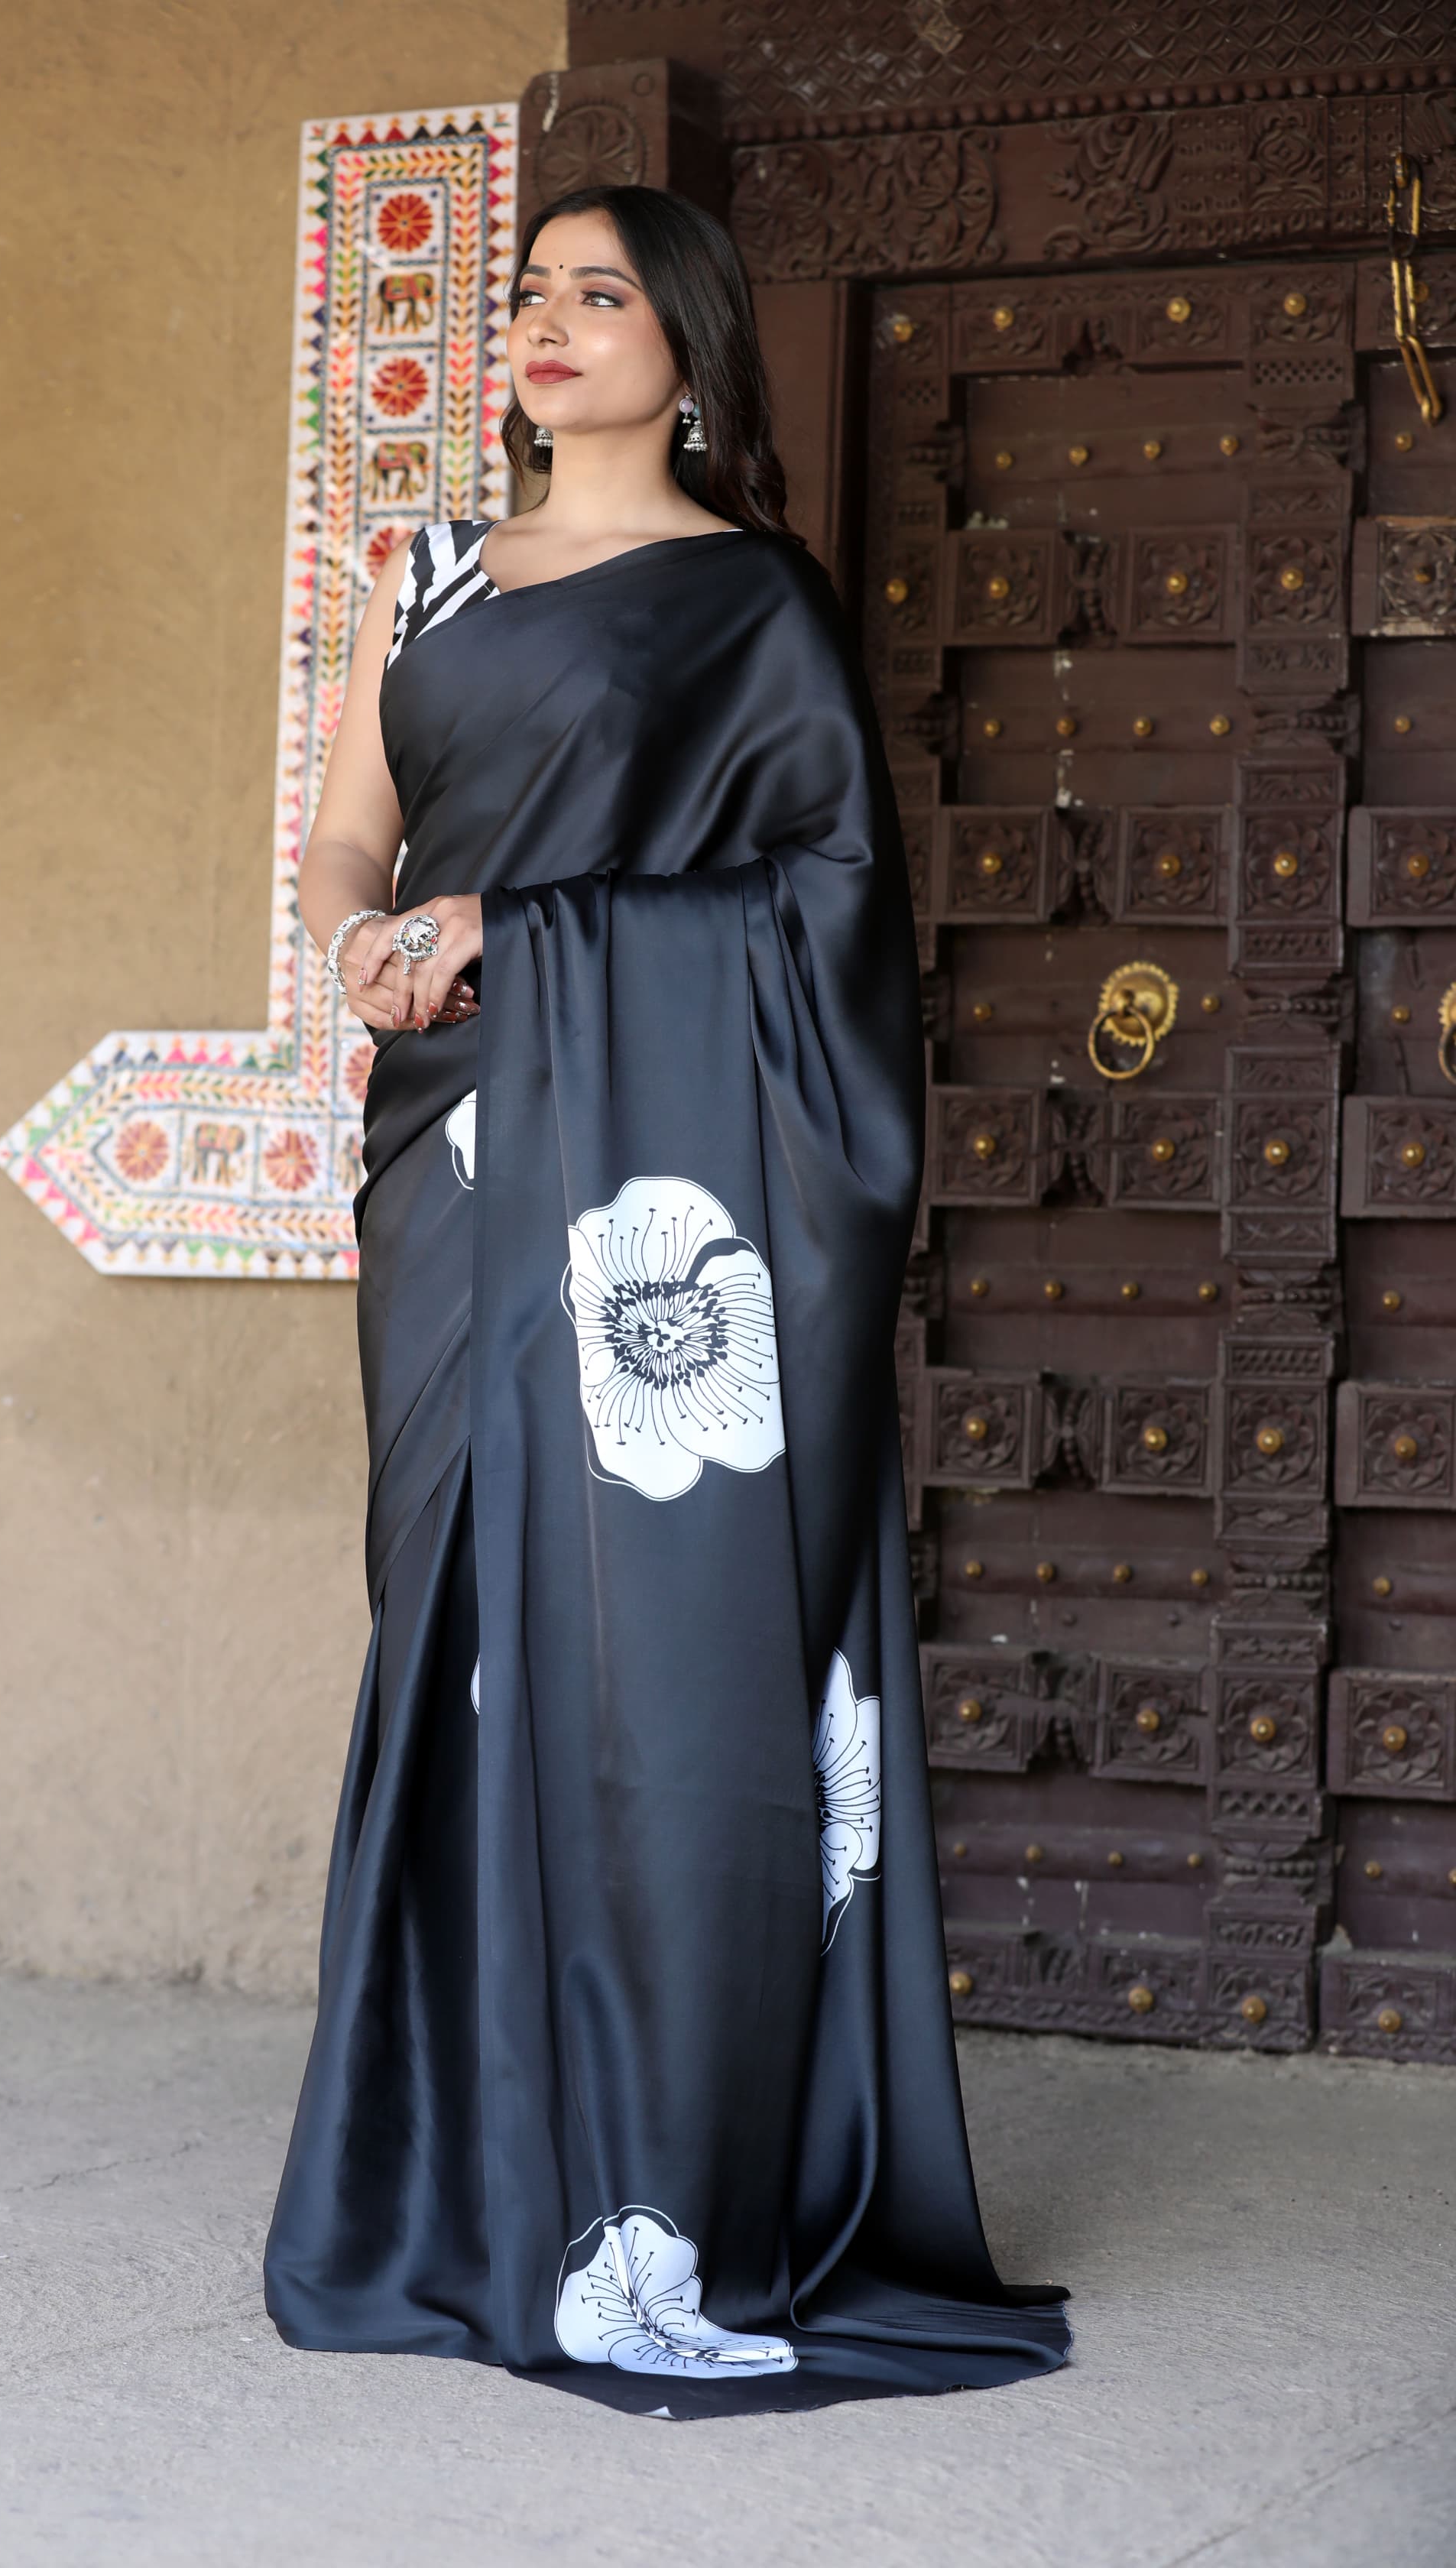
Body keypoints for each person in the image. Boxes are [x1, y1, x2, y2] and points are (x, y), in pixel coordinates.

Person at [263, 182, 1071, 2418]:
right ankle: (466, 2183)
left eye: (600, 297)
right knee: (467, 1639)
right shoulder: (426, 572)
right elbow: (352, 836)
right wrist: (365, 934)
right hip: (455, 1163)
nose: (547, 326)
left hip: (658, 1221)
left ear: (691, 352)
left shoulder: (754, 606)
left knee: (647, 1656)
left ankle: (656, 2197)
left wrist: (539, 934)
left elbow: (827, 913)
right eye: (530, 295)